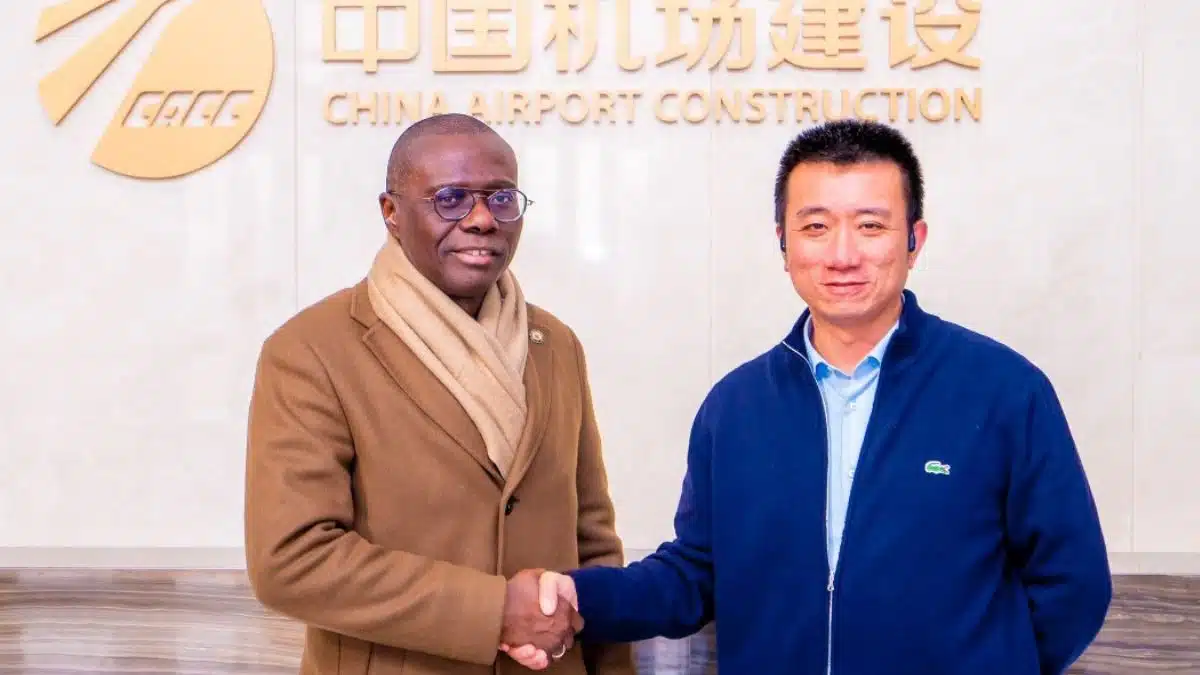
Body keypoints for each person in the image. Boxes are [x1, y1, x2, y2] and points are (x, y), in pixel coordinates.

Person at [505, 119, 1113, 675]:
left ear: (914, 239)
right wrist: (580, 597)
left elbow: (1073, 584)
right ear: (784, 242)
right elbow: (696, 575)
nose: (842, 255)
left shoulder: (1003, 391)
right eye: (816, 227)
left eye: (870, 225)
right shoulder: (736, 408)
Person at [243, 113, 634, 675]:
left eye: (501, 199)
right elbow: (292, 561)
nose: (481, 219)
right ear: (391, 212)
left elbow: (592, 543)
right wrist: (495, 612)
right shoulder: (311, 349)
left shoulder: (554, 344)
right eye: (450, 199)